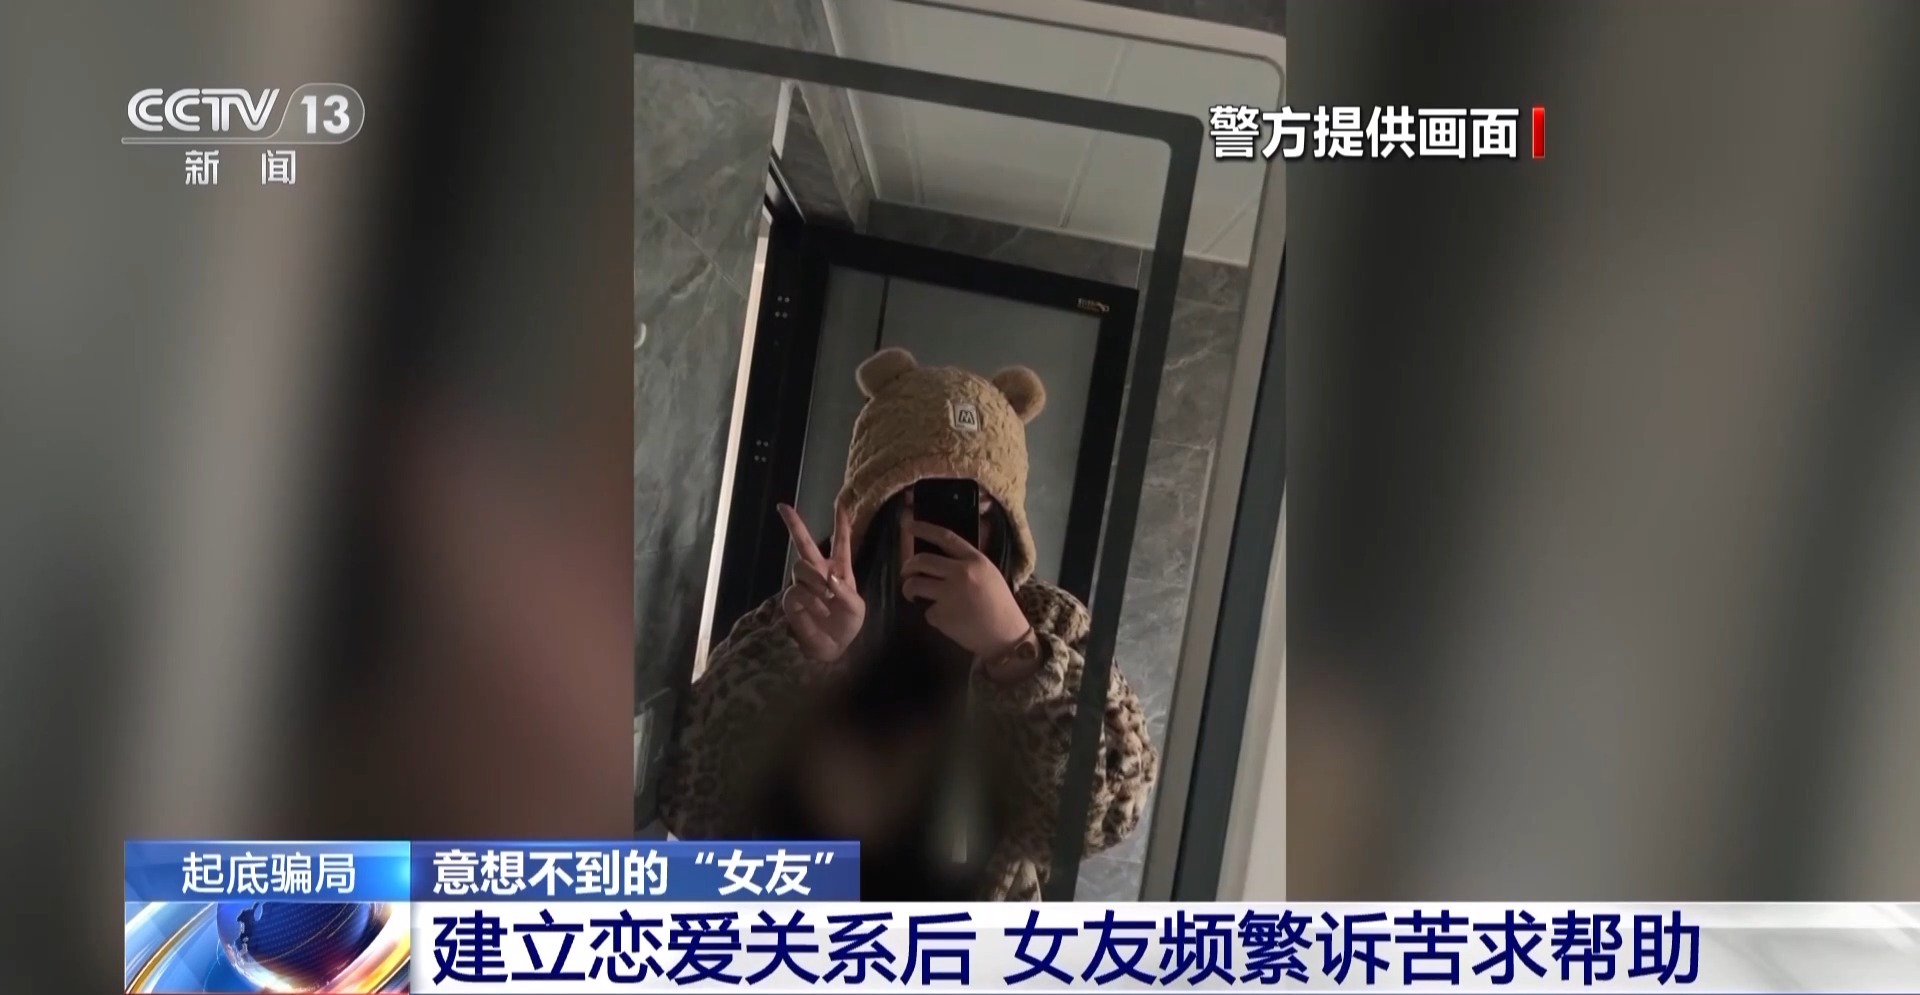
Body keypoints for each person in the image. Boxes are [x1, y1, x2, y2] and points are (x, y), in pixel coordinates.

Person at [659, 347, 1158, 901]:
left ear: (1006, 519)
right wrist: (812, 663)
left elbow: (1109, 815)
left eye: (974, 507)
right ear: (877, 510)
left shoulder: (1048, 622)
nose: (946, 531)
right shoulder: (812, 613)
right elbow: (690, 799)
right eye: (918, 501)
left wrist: (1017, 653)